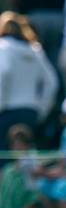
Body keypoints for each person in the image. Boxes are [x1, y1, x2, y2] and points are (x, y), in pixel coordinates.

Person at [0, 11, 58, 154]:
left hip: (7, 113)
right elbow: (52, 82)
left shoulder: (3, 47)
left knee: (5, 159)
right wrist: (41, 109)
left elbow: (3, 73)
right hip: (30, 113)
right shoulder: (35, 50)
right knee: (25, 157)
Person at [0, 124, 45, 208]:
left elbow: (31, 206)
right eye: (14, 144)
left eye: (21, 144)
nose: (17, 148)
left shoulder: (34, 170)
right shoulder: (7, 171)